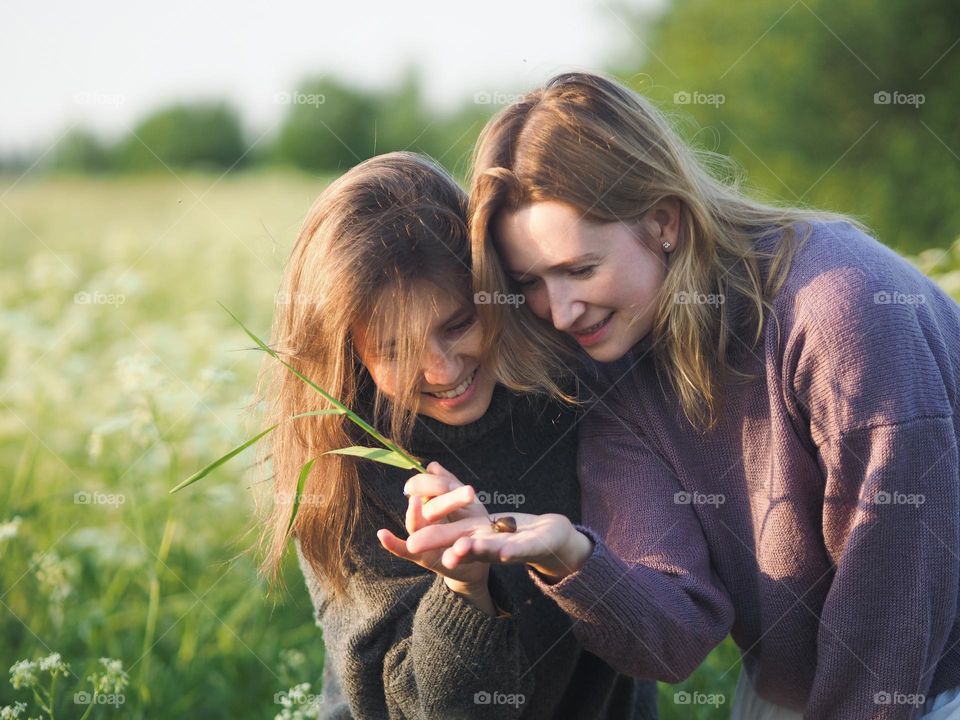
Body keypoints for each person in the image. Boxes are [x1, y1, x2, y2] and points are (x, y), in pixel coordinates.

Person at [401, 73, 960, 719]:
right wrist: (573, 557)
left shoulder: (842, 310)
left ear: (663, 222)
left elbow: (893, 607)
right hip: (796, 693)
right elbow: (671, 640)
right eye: (530, 281)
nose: (559, 310)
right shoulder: (610, 364)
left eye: (581, 269)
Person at [254, 151, 659, 719]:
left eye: (459, 324)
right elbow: (412, 709)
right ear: (350, 353)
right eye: (394, 349)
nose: (444, 372)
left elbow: (652, 617)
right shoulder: (339, 461)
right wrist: (464, 589)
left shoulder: (573, 383)